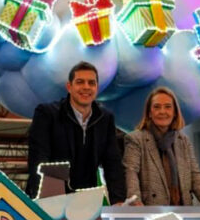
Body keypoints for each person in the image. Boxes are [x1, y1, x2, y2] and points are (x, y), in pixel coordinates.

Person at [26, 61, 127, 204]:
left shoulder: (105, 119)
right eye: (80, 82)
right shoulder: (47, 114)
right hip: (51, 199)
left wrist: (118, 200)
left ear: (97, 88)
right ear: (69, 87)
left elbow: (113, 164)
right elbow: (38, 159)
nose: (86, 87)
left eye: (91, 83)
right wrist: (41, 199)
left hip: (86, 201)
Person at [123, 86, 200, 207]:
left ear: (175, 113)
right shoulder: (135, 139)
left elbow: (195, 176)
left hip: (183, 209)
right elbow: (130, 173)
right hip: (150, 211)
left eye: (168, 107)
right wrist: (135, 203)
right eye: (157, 107)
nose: (162, 111)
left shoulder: (183, 141)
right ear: (149, 113)